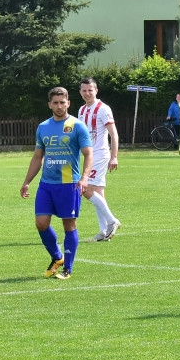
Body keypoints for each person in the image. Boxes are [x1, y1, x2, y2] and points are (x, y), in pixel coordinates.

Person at [21, 86, 93, 281]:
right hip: (46, 184)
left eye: (63, 102)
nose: (59, 106)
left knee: (69, 225)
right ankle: (57, 258)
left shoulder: (77, 126)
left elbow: (88, 153)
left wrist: (85, 177)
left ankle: (67, 269)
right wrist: (27, 181)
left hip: (69, 184)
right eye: (56, 103)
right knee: (41, 223)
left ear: (68, 103)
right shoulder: (43, 127)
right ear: (49, 105)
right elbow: (38, 156)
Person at [77, 77, 121, 242]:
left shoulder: (103, 109)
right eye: (84, 90)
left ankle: (112, 220)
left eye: (90, 90)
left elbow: (113, 134)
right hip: (88, 156)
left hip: (101, 155)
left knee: (86, 189)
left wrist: (114, 156)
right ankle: (103, 232)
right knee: (98, 193)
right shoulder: (81, 110)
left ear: (96, 90)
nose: (87, 93)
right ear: (80, 92)